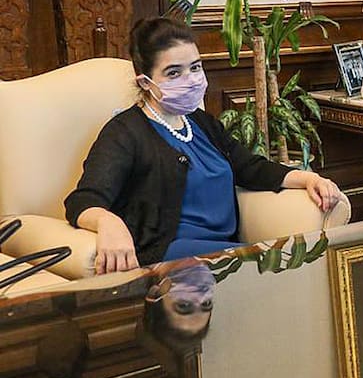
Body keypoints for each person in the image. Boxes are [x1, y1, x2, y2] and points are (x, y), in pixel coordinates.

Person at [65, 18, 345, 274]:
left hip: (226, 252)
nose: (191, 80)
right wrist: (108, 223)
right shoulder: (125, 132)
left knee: (298, 271)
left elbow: (249, 167)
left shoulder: (201, 122)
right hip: (172, 257)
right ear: (146, 83)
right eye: (174, 73)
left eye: (195, 67)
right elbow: (84, 200)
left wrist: (309, 178)